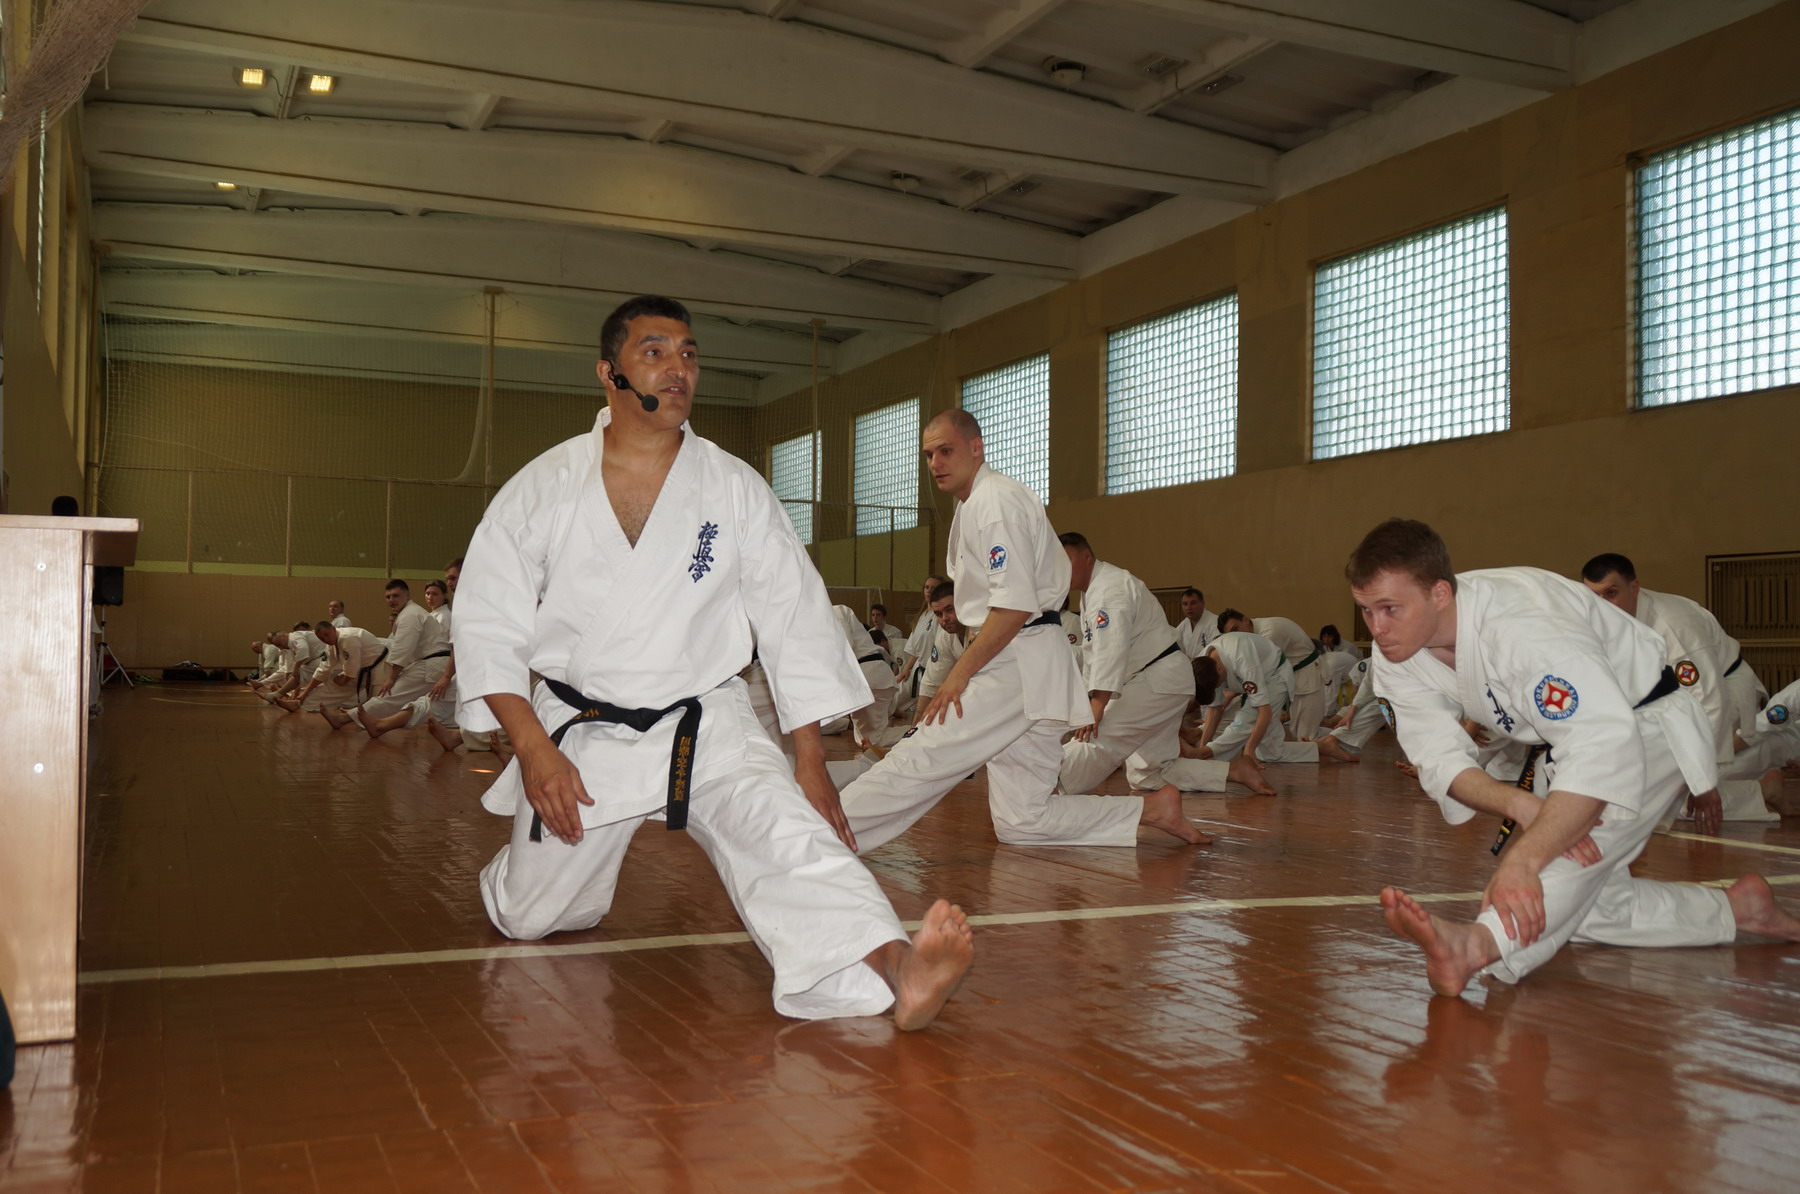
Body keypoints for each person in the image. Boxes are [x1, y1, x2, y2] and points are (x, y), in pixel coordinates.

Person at [453, 294, 971, 1028]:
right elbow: (489, 623)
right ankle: (521, 880)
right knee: (532, 916)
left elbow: (791, 617)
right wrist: (533, 749)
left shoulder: (731, 486)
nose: (678, 369)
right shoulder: (543, 487)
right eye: (654, 352)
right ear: (608, 372)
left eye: (689, 354)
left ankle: (895, 968)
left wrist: (809, 762)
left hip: (705, 719)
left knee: (789, 834)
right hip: (585, 728)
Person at [1348, 519, 1800, 998]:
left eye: (1390, 609)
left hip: (1644, 724)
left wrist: (1525, 857)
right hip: (1569, 744)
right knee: (1583, 904)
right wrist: (1519, 804)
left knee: (1551, 862)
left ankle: (1475, 945)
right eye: (1366, 611)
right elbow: (1439, 760)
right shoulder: (1395, 656)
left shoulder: (1522, 623)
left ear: (1440, 593)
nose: (1377, 628)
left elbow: (1602, 746)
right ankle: (1738, 909)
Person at [837, 410, 1204, 850]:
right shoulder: (975, 504)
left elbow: (1012, 608)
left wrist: (959, 674)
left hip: (1017, 660)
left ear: (976, 448)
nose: (935, 463)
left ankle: (819, 837)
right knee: (1023, 819)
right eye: (929, 454)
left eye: (946, 450)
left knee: (921, 756)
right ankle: (1151, 810)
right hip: (1031, 665)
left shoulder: (995, 503)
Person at [1057, 532, 1268, 806]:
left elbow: (1111, 650)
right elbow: (1093, 655)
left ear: (1086, 557)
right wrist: (1088, 699)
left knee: (1099, 737)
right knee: (1149, 773)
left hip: (1158, 680)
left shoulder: (1109, 588)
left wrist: (1096, 706)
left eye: (1067, 559)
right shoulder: (1094, 592)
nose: (1061, 568)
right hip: (1161, 681)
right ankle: (1234, 771)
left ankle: (1046, 782)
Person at [1581, 553, 1775, 822]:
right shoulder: (1606, 617)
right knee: (1644, 790)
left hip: (1723, 694)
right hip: (1672, 704)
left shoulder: (1673, 624)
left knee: (1665, 797)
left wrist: (1702, 780)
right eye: (1594, 596)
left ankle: (1764, 791)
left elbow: (1710, 700)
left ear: (1634, 587)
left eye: (1611, 593)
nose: (1602, 604)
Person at [1177, 631, 1358, 771]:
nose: (1221, 687)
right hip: (1257, 678)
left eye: (1219, 684)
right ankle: (1323, 747)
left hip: (1275, 676)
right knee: (1271, 751)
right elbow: (1215, 709)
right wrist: (1203, 743)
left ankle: (1207, 753)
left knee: (1246, 720)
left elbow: (1264, 712)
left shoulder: (1242, 659)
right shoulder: (1203, 665)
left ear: (1218, 668)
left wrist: (1248, 751)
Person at [352, 579, 453, 739]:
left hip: (434, 664)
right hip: (433, 663)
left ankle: (349, 717)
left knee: (392, 694)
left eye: (396, 596)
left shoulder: (414, 614)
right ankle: (363, 719)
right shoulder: (413, 612)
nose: (391, 600)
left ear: (407, 595)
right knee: (425, 705)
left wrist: (392, 677)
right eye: (388, 597)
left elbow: (404, 647)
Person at [1216, 610, 1330, 741]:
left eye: (1236, 629)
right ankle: (1335, 737)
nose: (1237, 635)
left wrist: (1231, 694)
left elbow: (1259, 673)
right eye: (1232, 634)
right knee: (1299, 731)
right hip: (1292, 677)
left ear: (1246, 620)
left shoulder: (1270, 632)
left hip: (1308, 675)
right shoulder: (1250, 637)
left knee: (1305, 735)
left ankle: (1337, 739)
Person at [285, 621, 389, 723]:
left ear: (333, 629)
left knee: (376, 703)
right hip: (361, 669)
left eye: (326, 634)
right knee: (332, 685)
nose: (326, 639)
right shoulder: (331, 645)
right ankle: (299, 703)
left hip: (381, 666)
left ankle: (345, 718)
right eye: (322, 638)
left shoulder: (348, 638)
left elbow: (351, 669)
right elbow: (323, 669)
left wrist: (344, 680)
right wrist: (305, 693)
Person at [834, 604, 897, 748]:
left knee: (873, 740)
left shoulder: (836, 612)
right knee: (865, 739)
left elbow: (845, 646)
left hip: (870, 674)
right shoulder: (816, 623)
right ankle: (916, 734)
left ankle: (917, 734)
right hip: (869, 675)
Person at [890, 575, 945, 718]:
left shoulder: (940, 616)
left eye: (933, 588)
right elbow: (915, 649)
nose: (929, 591)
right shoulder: (922, 616)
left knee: (926, 709)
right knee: (894, 694)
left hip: (933, 668)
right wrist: (905, 669)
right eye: (927, 587)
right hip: (917, 668)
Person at [1175, 588, 1219, 659]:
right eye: (1185, 604)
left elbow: (1217, 651)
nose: (1189, 608)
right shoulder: (1183, 625)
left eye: (1193, 603)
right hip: (1188, 664)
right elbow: (1176, 648)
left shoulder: (1215, 622)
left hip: (1209, 664)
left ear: (1203, 604)